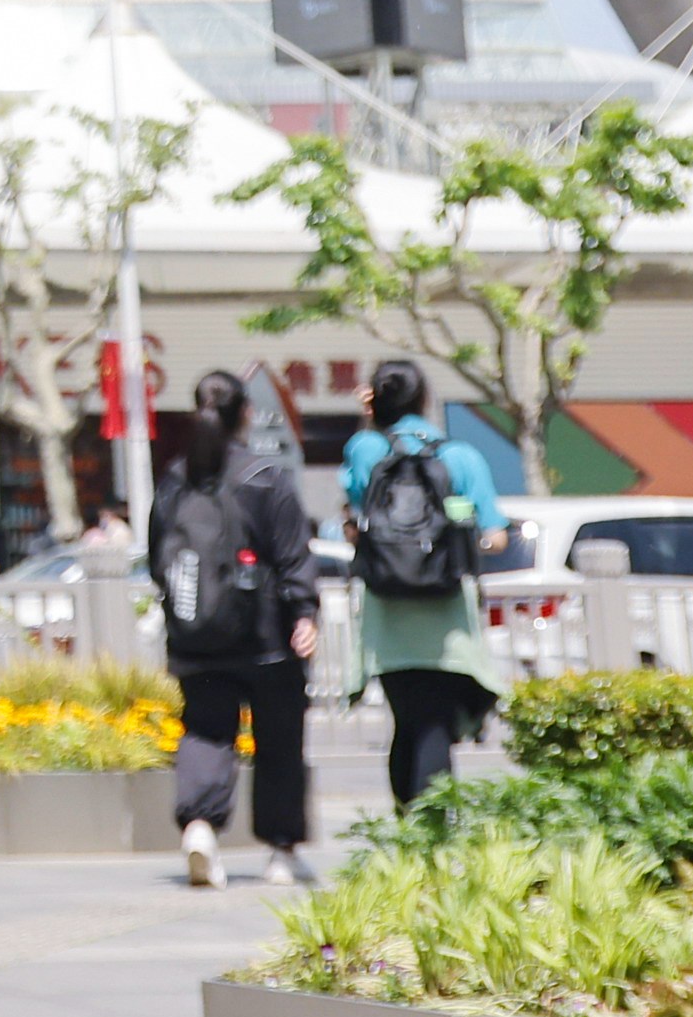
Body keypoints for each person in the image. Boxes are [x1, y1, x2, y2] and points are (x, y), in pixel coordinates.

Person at [157, 368, 319, 887]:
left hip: (197, 636)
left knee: (206, 730)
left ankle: (200, 827)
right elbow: (293, 554)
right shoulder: (265, 476)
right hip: (266, 636)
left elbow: (158, 558)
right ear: (246, 414)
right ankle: (281, 852)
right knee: (279, 740)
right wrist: (305, 612)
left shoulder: (177, 478)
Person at [339, 359, 502, 806]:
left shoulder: (365, 449)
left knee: (406, 718)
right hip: (446, 608)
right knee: (435, 723)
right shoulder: (460, 455)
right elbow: (496, 535)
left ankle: (407, 821)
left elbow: (355, 508)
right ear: (424, 398)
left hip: (386, 606)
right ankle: (430, 829)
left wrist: (371, 421)